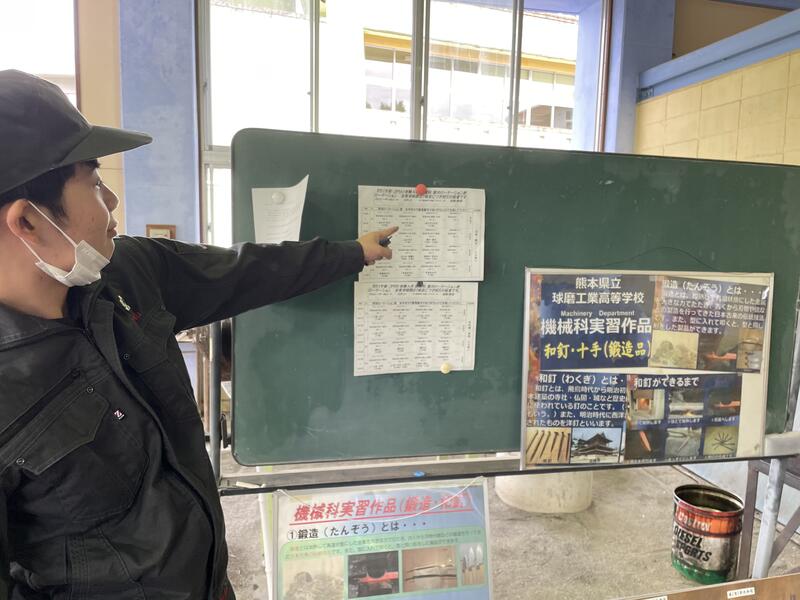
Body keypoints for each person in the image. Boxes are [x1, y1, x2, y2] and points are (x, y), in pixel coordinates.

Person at [0, 70, 397, 600]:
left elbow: (243, 270)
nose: (112, 200)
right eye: (93, 182)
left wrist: (351, 253)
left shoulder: (126, 273)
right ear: (28, 222)